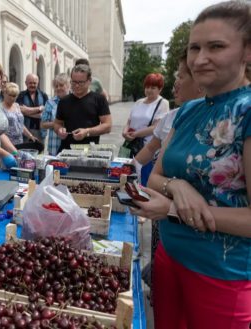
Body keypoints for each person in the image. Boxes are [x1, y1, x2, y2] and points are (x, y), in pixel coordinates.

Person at [131, 2, 251, 328]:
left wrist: (170, 209)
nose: (199, 59)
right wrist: (178, 186)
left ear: (247, 52)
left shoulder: (246, 112)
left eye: (216, 46)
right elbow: (155, 176)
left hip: (221, 274)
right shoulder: (187, 112)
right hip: (169, 258)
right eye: (194, 48)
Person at [136, 50, 205, 297]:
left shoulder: (240, 115)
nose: (175, 82)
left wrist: (172, 205)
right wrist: (132, 168)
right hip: (170, 241)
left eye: (182, 75)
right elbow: (153, 165)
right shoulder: (178, 117)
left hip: (212, 264)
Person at [54, 64, 111, 152]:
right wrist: (59, 130)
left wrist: (87, 132)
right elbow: (57, 123)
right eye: (74, 82)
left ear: (89, 81)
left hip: (89, 151)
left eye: (80, 82)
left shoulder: (99, 99)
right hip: (66, 150)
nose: (76, 85)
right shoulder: (64, 101)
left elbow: (108, 126)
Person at [1, 82, 42, 152]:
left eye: (15, 96)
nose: (12, 98)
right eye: (10, 95)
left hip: (20, 141)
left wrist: (30, 136)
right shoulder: (0, 107)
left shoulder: (17, 106)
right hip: (7, 143)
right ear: (4, 93)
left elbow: (21, 125)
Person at [41, 73, 70, 156]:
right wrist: (57, 124)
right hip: (54, 145)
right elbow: (43, 124)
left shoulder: (75, 101)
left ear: (68, 85)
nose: (58, 88)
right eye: (56, 86)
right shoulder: (50, 102)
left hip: (71, 144)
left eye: (61, 85)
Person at [16, 73, 48, 141]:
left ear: (38, 83)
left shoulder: (43, 95)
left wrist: (26, 111)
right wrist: (39, 108)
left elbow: (45, 114)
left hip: (40, 131)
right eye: (30, 83)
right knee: (26, 150)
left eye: (34, 83)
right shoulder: (20, 95)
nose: (32, 85)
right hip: (25, 131)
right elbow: (19, 110)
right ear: (26, 83)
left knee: (40, 151)